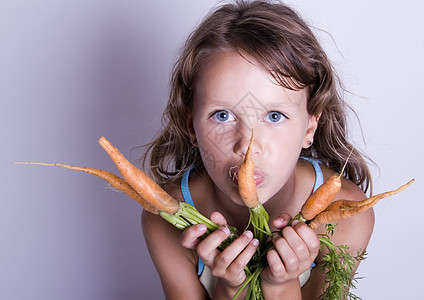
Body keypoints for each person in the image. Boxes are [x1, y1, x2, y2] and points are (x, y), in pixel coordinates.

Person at [141, 0, 374, 298]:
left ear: (309, 128)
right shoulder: (164, 217)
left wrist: (281, 285)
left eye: (274, 116)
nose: (247, 146)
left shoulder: (347, 214)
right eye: (222, 116)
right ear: (192, 127)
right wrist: (230, 288)